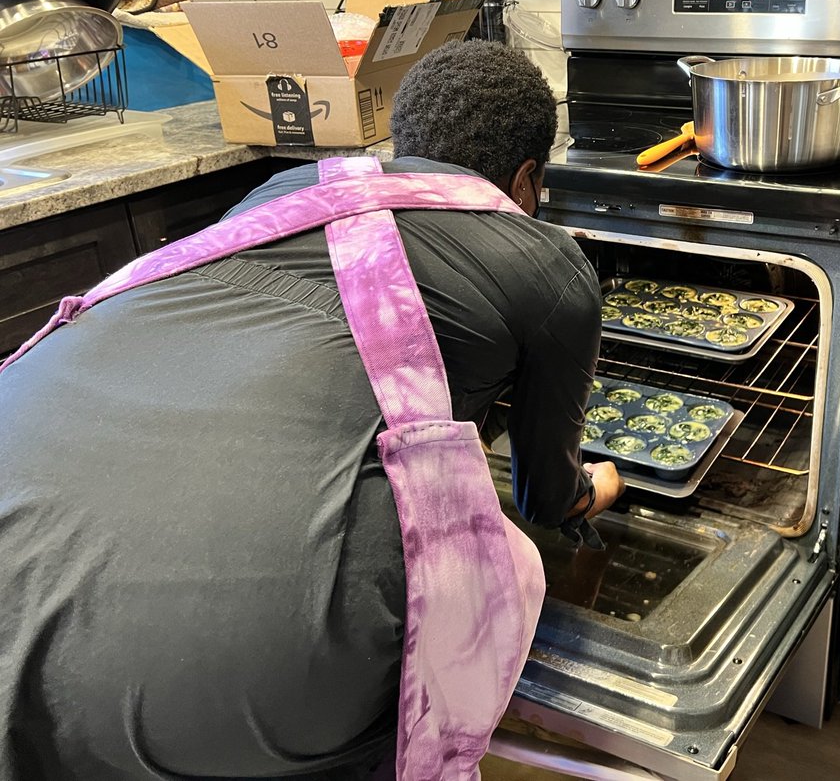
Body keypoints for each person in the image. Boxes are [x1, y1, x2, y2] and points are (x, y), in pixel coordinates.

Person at [0, 40, 624, 780]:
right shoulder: (544, 256)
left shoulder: (284, 191)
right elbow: (545, 497)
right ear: (527, 180)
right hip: (238, 670)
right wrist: (594, 489)